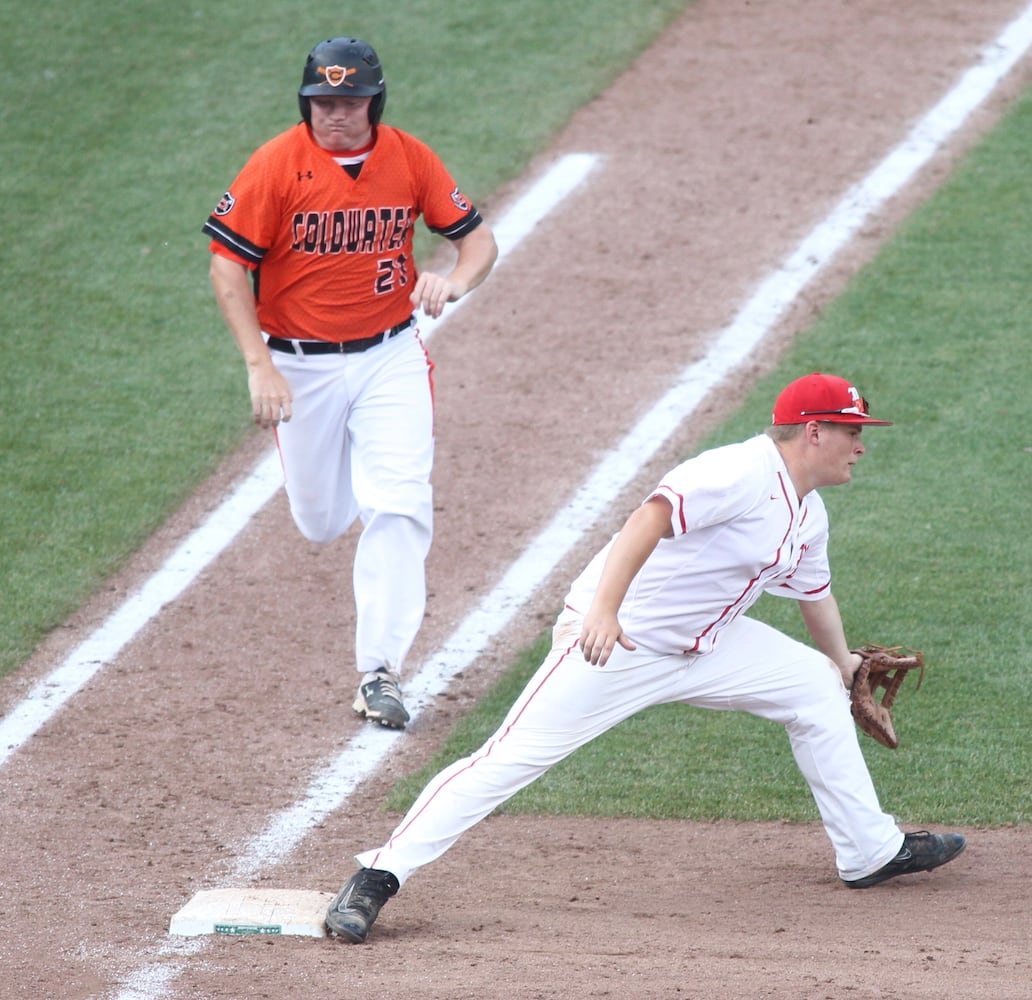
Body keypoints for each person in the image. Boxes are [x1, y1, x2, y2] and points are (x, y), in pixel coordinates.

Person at [324, 371, 967, 942]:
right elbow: (649, 518)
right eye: (852, 431)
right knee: (509, 759)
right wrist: (603, 611)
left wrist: (845, 667)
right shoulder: (739, 471)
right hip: (621, 641)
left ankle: (870, 851)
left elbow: (815, 596)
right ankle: (377, 874)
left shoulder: (809, 512)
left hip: (708, 645)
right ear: (812, 432)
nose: (862, 445)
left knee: (815, 687)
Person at [203, 37, 498, 729]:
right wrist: (259, 364)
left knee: (398, 503)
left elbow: (477, 240)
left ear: (375, 101)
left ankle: (380, 672)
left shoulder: (408, 157)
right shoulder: (276, 165)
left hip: (388, 354)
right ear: (307, 102)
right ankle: (349, 500)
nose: (336, 114)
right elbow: (226, 268)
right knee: (321, 520)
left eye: (350, 101)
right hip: (298, 364)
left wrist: (452, 281)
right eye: (323, 102)